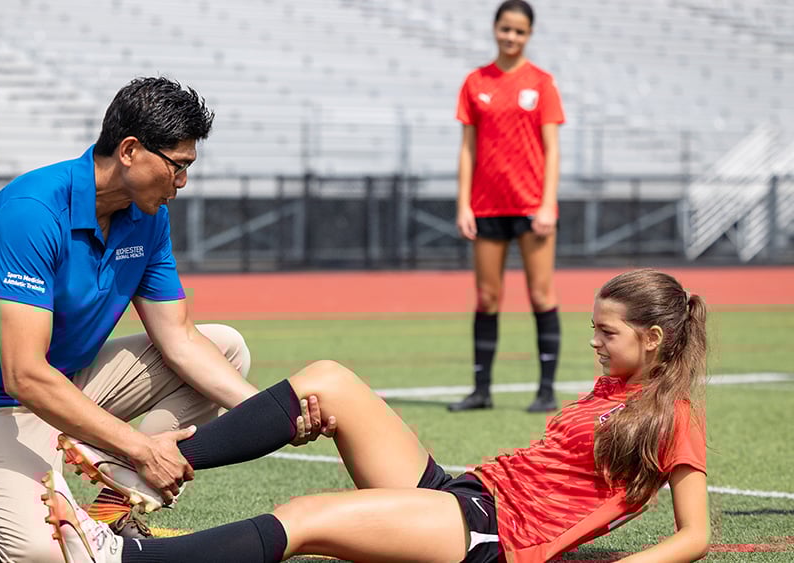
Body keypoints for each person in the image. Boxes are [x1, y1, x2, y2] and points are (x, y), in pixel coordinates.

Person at [0, 77, 326, 562]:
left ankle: (111, 507)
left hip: (65, 384)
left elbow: (180, 340)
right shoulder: (31, 211)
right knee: (43, 557)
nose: (183, 183)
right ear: (130, 150)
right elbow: (22, 374)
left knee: (226, 347)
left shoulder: (147, 216)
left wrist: (274, 415)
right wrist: (139, 447)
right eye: (178, 166)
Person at [42, 268, 711, 563]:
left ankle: (120, 557)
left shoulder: (672, 413)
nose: (593, 341)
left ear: (651, 338)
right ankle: (153, 462)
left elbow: (694, 535)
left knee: (304, 516)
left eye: (606, 332)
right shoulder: (608, 389)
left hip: (493, 540)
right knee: (329, 380)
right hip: (467, 496)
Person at [450, 0, 566, 413]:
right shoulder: (475, 81)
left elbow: (552, 149)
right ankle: (481, 390)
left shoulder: (542, 83)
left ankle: (546, 390)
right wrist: (464, 203)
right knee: (486, 297)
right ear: (495, 29)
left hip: (532, 207)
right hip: (486, 208)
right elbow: (467, 149)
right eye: (505, 29)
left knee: (540, 294)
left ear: (529, 34)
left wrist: (548, 203)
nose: (511, 37)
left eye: (519, 31)